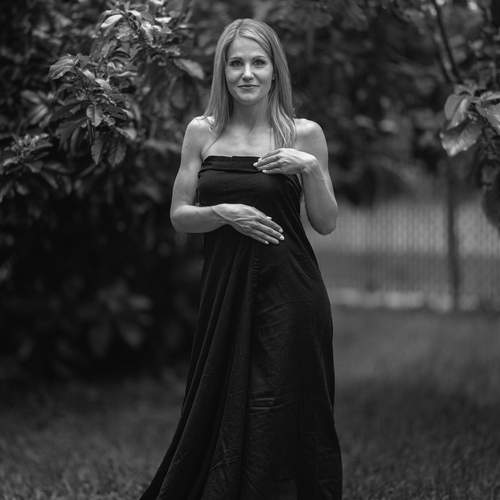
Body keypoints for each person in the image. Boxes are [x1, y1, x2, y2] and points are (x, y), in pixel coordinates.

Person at [138, 18, 342, 500]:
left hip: (290, 290)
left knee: (283, 401)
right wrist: (222, 213)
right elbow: (180, 216)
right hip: (225, 288)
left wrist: (310, 168)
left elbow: (326, 222)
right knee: (221, 394)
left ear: (275, 70)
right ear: (222, 71)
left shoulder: (303, 134)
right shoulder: (202, 132)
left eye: (258, 62)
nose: (247, 73)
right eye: (236, 63)